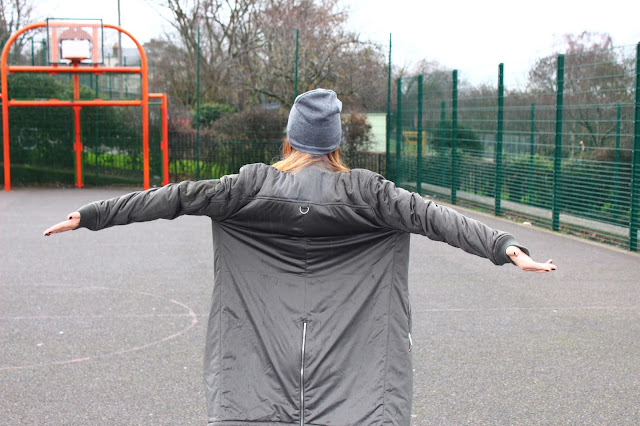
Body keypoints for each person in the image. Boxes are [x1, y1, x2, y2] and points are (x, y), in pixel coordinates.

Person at [44, 88, 555, 425]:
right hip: (354, 378)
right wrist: (505, 247)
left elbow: (172, 197)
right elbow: (436, 217)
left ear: (290, 137)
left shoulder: (246, 188)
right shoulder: (370, 194)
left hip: (258, 370)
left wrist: (92, 214)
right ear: (336, 143)